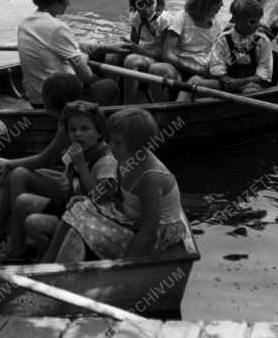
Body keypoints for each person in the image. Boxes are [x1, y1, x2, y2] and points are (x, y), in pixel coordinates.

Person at [45, 108, 188, 263]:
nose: (110, 146)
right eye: (110, 140)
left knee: (79, 226)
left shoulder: (150, 179)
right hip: (133, 216)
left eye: (117, 142)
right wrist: (88, 200)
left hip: (159, 234)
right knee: (78, 207)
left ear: (137, 146)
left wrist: (127, 265)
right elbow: (115, 197)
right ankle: (46, 264)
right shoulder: (125, 161)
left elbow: (149, 231)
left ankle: (62, 273)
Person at [0, 73, 85, 250]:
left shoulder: (67, 126)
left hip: (73, 189)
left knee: (19, 173)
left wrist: (9, 163)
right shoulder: (71, 118)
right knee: (15, 172)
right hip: (68, 177)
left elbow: (43, 159)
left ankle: (16, 242)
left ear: (51, 101)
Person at [19, 101, 118, 260]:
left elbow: (98, 197)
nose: (78, 134)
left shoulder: (106, 161)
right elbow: (67, 178)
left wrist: (80, 164)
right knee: (22, 201)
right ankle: (25, 249)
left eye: (85, 129)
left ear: (99, 133)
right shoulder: (76, 153)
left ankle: (48, 259)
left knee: (33, 222)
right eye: (73, 130)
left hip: (90, 220)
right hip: (69, 207)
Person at [17, 0, 120, 108]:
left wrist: (105, 47)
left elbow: (63, 45)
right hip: (60, 102)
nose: (69, 3)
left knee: (99, 53)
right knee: (109, 86)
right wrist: (84, 59)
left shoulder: (25, 24)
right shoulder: (57, 28)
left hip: (36, 97)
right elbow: (86, 76)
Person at [149, 0, 227, 101]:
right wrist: (193, 67)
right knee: (157, 69)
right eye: (219, 0)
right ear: (207, 3)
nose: (222, 4)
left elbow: (220, 55)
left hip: (203, 73)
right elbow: (167, 54)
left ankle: (178, 112)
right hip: (179, 69)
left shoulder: (218, 22)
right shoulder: (182, 18)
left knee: (197, 82)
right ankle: (162, 109)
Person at [99, 0, 167, 104]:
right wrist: (125, 46)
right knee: (112, 55)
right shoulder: (136, 18)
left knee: (132, 60)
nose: (146, 9)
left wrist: (137, 50)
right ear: (135, 4)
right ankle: (110, 98)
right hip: (144, 51)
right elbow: (133, 42)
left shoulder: (164, 21)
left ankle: (128, 104)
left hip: (157, 57)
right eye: (141, 4)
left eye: (150, 2)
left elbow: (162, 54)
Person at [190, 0, 273, 94]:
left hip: (252, 82)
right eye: (252, 22)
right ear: (237, 20)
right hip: (227, 82)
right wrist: (226, 80)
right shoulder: (224, 39)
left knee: (250, 90)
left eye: (258, 21)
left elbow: (264, 72)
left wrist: (239, 82)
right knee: (195, 81)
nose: (257, 25)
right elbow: (216, 64)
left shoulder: (262, 41)